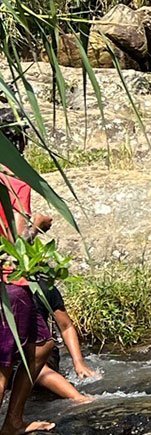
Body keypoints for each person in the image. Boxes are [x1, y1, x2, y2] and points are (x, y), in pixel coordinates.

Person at [0, 107, 55, 433]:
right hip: (10, 280)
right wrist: (39, 223)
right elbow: (20, 239)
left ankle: (14, 420)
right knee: (4, 362)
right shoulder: (15, 182)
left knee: (43, 344)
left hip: (11, 282)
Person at [33, 283, 97, 403]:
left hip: (40, 349)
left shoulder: (43, 288)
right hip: (10, 349)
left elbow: (66, 327)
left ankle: (79, 398)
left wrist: (79, 363)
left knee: (37, 369)